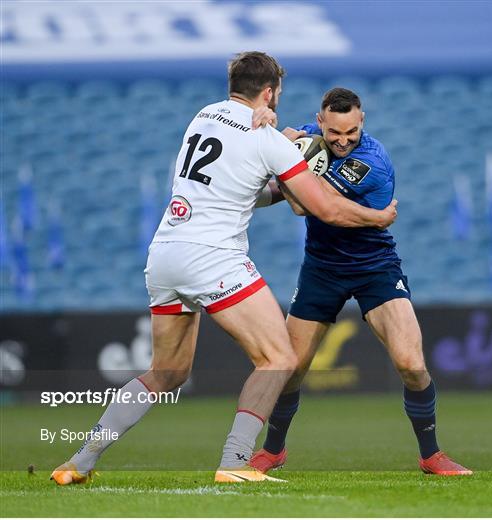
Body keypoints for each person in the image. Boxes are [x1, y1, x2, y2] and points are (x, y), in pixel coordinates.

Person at [51, 56, 398, 485]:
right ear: (270, 92)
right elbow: (323, 208)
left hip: (166, 251)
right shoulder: (268, 139)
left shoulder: (202, 116)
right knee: (278, 356)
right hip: (212, 255)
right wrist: (377, 218)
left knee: (168, 373)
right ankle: (235, 462)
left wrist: (283, 153)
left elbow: (246, 186)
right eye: (277, 94)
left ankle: (80, 461)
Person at [249, 87, 472, 476]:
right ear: (320, 121)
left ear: (362, 121)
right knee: (289, 367)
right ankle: (273, 450)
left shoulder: (371, 161)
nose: (342, 140)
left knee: (411, 364)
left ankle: (431, 455)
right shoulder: (309, 136)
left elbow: (306, 205)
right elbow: (283, 156)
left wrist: (281, 158)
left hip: (375, 266)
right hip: (321, 268)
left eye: (351, 131)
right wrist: (271, 132)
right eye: (334, 132)